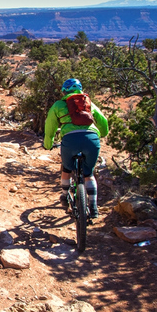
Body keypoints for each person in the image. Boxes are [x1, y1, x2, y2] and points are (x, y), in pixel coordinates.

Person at [43, 78, 109, 220]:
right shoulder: (87, 102)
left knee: (67, 169)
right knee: (89, 173)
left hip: (70, 140)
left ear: (64, 91)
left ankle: (65, 195)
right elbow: (103, 120)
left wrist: (48, 144)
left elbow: (50, 126)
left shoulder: (59, 105)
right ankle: (93, 206)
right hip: (91, 139)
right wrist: (102, 134)